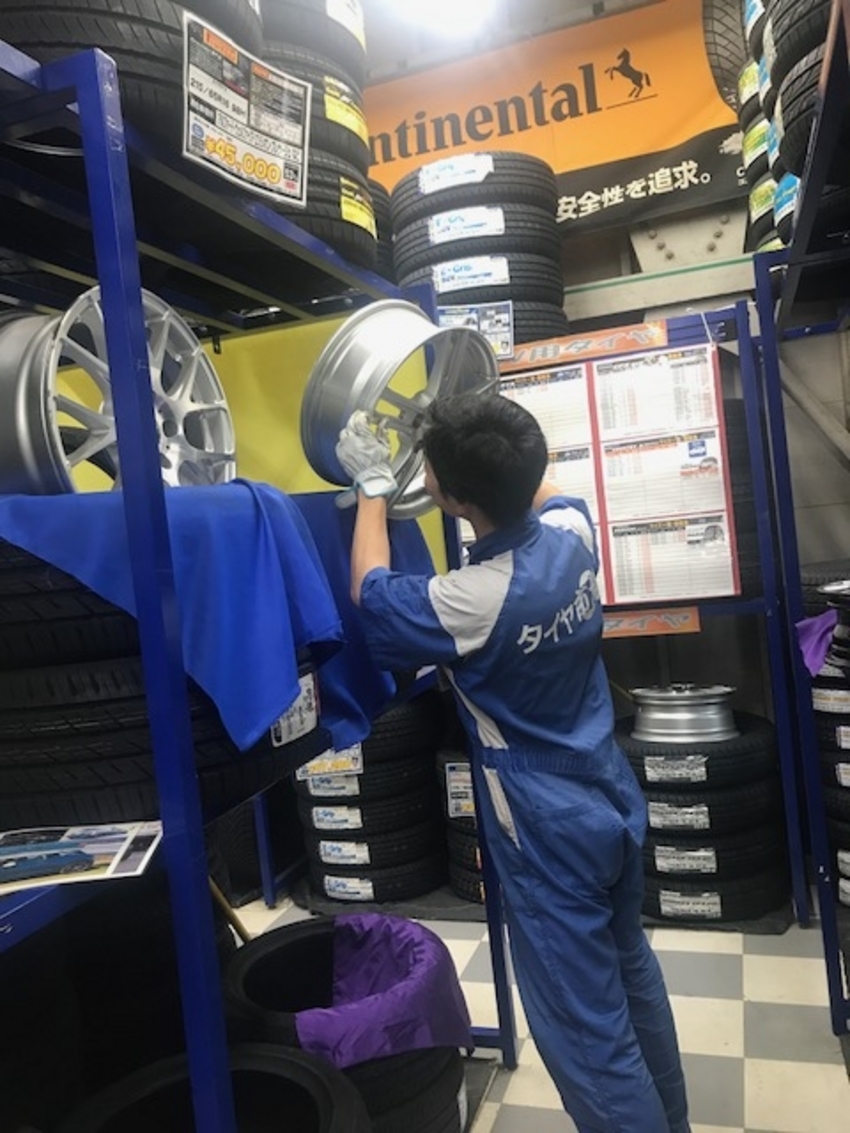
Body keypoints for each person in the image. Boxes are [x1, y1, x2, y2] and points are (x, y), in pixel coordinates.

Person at [335, 394, 690, 1133]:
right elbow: (536, 482)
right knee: (630, 969)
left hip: (543, 822)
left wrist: (371, 489)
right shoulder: (573, 533)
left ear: (455, 498)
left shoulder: (471, 600)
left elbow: (370, 592)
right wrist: (475, 432)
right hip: (607, 788)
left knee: (587, 1034)